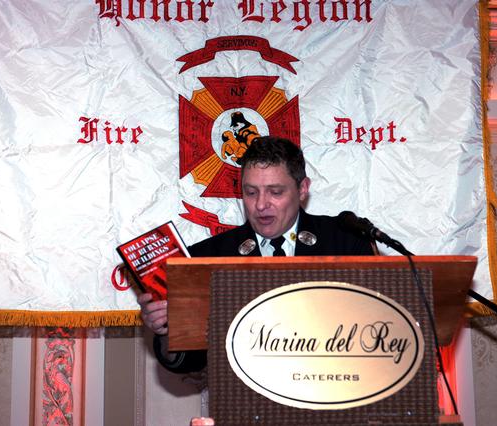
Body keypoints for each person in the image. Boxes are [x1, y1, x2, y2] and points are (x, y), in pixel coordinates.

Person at [138, 136, 376, 373]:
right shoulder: (207, 257)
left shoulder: (346, 242)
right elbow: (189, 361)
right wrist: (168, 329)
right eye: (251, 193)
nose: (261, 205)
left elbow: (373, 332)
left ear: (302, 189)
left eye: (275, 192)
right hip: (246, 402)